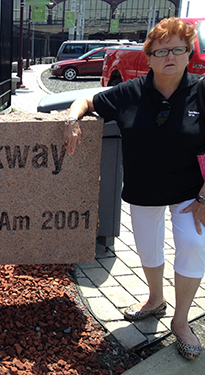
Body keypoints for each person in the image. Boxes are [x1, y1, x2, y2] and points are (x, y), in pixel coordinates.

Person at [63, 17, 205, 360]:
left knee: (193, 243)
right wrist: (72, 121)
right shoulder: (132, 91)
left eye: (178, 49)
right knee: (147, 248)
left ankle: (181, 321)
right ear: (149, 56)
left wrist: (204, 196)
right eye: (161, 51)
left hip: (191, 192)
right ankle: (155, 299)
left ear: (189, 54)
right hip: (144, 190)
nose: (169, 56)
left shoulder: (202, 90)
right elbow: (89, 102)